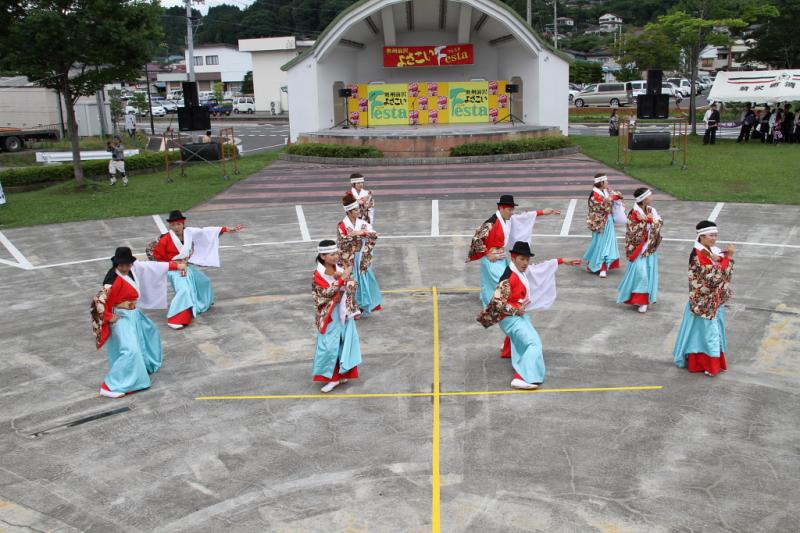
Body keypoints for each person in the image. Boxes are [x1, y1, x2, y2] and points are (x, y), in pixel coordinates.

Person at [477, 241, 581, 390]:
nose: (525, 263)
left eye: (527, 259)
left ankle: (508, 350)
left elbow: (539, 267)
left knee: (526, 328)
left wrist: (562, 260)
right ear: (513, 258)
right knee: (534, 344)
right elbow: (497, 304)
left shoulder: (518, 270)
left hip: (515, 316)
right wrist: (516, 310)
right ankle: (521, 378)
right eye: (522, 259)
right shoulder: (509, 278)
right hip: (509, 319)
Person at [91, 247, 185, 398]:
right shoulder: (112, 280)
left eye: (127, 264)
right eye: (122, 265)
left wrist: (175, 265)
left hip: (135, 314)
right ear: (116, 264)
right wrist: (109, 317)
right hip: (122, 317)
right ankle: (111, 386)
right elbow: (97, 301)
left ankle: (143, 367)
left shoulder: (132, 269)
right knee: (130, 350)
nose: (125, 268)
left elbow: (151, 267)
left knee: (150, 332)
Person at [149, 210, 244, 329]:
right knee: (184, 290)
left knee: (204, 281)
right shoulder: (165, 240)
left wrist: (226, 229)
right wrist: (173, 265)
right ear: (170, 226)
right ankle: (177, 318)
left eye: (178, 224)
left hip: (186, 266)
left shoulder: (189, 233)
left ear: (183, 224)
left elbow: (205, 232)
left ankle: (202, 303)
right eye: (173, 225)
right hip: (174, 270)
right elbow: (159, 258)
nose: (176, 227)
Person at [467, 194, 561, 306]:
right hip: (492, 260)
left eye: (512, 210)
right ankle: (498, 305)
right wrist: (488, 254)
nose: (512, 212)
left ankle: (493, 300)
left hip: (500, 258)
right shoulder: (490, 223)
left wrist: (543, 212)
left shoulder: (507, 220)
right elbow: (477, 239)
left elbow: (523, 217)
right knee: (503, 282)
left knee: (501, 281)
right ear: (501, 208)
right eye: (509, 210)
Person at [673, 221, 735, 377]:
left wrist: (722, 258)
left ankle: (699, 362)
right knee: (710, 333)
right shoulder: (699, 255)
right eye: (711, 235)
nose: (714, 238)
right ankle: (709, 365)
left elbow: (716, 265)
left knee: (700, 332)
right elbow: (713, 279)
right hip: (704, 301)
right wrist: (728, 259)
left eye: (715, 235)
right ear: (701, 236)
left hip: (709, 300)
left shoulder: (709, 251)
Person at [312, 240, 362, 393]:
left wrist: (347, 279)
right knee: (329, 347)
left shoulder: (338, 268)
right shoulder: (318, 275)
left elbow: (353, 284)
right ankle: (333, 378)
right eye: (332, 254)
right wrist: (342, 279)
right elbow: (325, 294)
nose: (336, 256)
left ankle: (340, 375)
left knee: (344, 343)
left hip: (343, 312)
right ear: (323, 256)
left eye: (336, 253)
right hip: (330, 315)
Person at [616, 188, 663, 313]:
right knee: (642, 274)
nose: (652, 198)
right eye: (649, 196)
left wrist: (649, 220)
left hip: (649, 248)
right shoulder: (634, 213)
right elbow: (633, 231)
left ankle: (643, 300)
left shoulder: (651, 210)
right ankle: (640, 300)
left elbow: (659, 222)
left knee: (648, 273)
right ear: (643, 199)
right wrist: (646, 221)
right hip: (638, 249)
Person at [338, 193, 382, 316]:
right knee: (351, 283)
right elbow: (343, 240)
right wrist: (361, 234)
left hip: (361, 257)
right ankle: (352, 308)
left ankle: (361, 306)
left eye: (358, 209)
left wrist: (362, 233)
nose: (359, 211)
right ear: (349, 212)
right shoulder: (342, 225)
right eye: (356, 210)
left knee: (363, 281)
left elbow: (373, 234)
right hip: (349, 259)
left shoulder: (362, 223)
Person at [582, 174, 623, 278]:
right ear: (601, 183)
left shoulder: (604, 191)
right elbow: (604, 207)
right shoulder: (595, 195)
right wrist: (612, 198)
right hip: (600, 224)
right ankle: (601, 267)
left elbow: (614, 197)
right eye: (606, 181)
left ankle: (600, 266)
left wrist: (613, 197)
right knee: (601, 244)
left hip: (607, 221)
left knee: (605, 244)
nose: (608, 183)